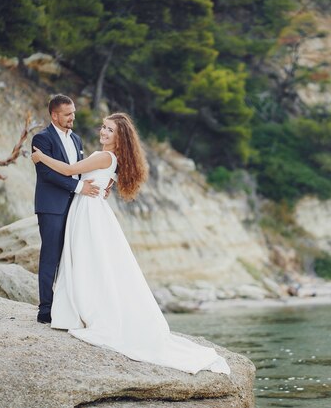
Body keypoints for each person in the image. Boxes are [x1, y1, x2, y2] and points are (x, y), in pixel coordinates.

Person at [31, 112, 230, 375]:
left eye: (110, 130)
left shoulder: (104, 156)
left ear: (119, 137)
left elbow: (69, 171)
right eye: (103, 127)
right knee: (90, 261)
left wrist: (41, 158)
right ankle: (78, 308)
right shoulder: (112, 159)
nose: (103, 132)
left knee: (87, 260)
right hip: (90, 208)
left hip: (89, 212)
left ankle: (83, 310)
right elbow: (103, 181)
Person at [32, 94, 100, 325]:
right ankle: (45, 309)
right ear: (54, 115)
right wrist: (80, 187)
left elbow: (79, 169)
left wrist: (100, 185)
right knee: (50, 256)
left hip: (75, 207)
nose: (73, 117)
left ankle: (68, 306)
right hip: (51, 206)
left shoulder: (77, 140)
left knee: (72, 257)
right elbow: (47, 174)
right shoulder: (41, 139)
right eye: (68, 114)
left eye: (73, 113)